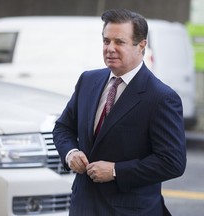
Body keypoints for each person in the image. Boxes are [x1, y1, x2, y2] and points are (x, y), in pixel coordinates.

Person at [53, 9, 186, 216]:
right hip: (83, 206)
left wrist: (115, 171)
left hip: (129, 210)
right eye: (106, 41)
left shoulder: (161, 97)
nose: (110, 49)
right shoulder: (88, 80)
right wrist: (70, 153)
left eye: (119, 42)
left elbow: (172, 162)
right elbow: (63, 127)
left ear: (141, 46)